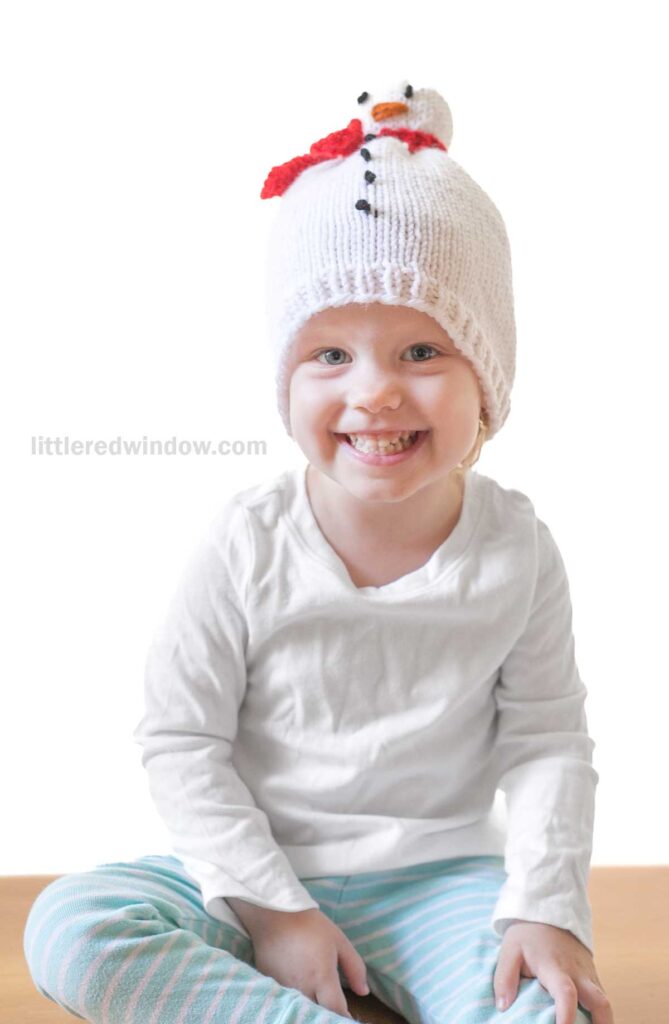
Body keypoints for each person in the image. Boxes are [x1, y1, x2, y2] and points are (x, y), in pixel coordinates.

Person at [23, 79, 615, 1024]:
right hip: (247, 870)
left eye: (422, 352)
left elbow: (548, 742)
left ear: (488, 375)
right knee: (75, 924)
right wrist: (273, 910)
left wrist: (545, 908)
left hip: (437, 881)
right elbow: (183, 740)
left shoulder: (517, 549)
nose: (374, 393)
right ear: (285, 378)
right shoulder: (246, 540)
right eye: (330, 355)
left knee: (552, 1006)